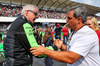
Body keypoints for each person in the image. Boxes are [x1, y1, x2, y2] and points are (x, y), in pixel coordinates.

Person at [30, 5, 100, 66]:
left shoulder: (87, 34)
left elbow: (70, 58)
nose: (66, 20)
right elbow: (72, 49)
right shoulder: (74, 32)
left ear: (79, 19)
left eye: (69, 18)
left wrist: (45, 51)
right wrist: (62, 46)